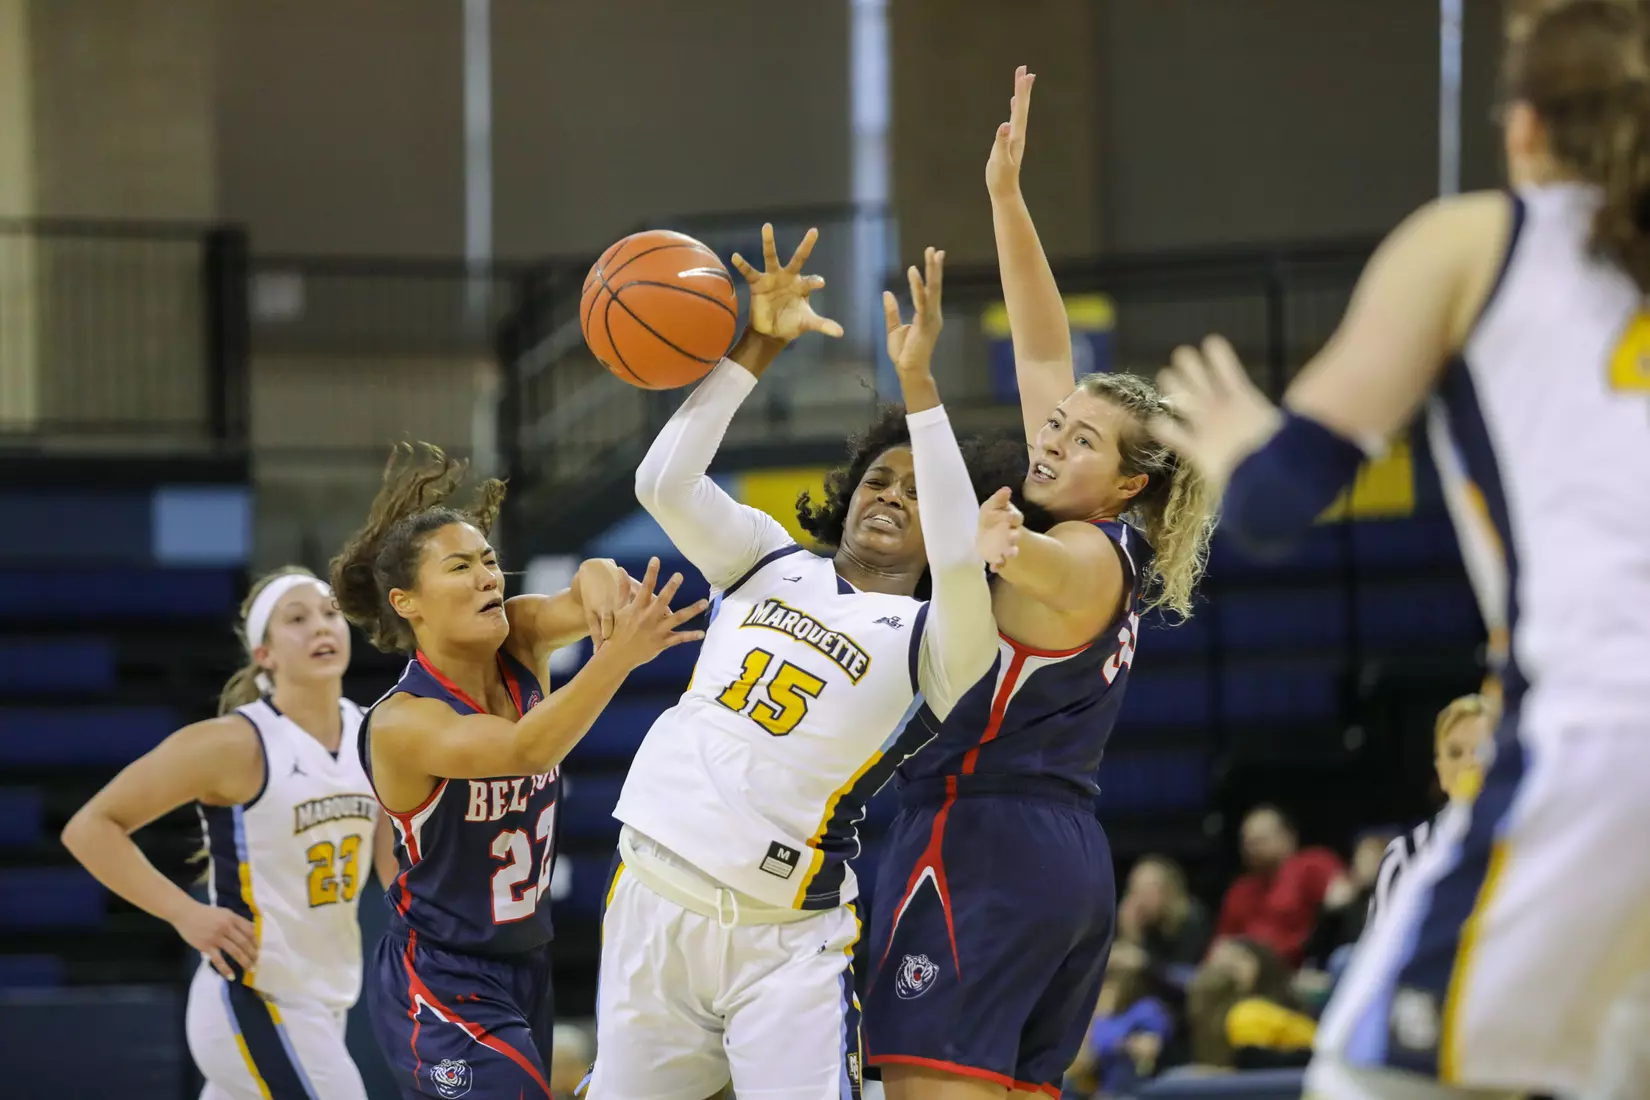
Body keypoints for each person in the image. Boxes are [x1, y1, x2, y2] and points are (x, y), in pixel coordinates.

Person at [1147, 4, 1650, 1097]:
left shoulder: (1475, 241)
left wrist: (1241, 448)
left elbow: (1278, 500)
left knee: (1367, 1076)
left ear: (1525, 125)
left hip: (1602, 736)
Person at [588, 226, 1018, 1100]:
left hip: (782, 942)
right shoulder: (767, 558)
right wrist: (758, 344)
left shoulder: (946, 638)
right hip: (650, 897)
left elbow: (960, 556)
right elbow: (662, 483)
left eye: (917, 490)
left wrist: (920, 386)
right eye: (878, 479)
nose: (892, 494)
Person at [862, 66, 1218, 1100]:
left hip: (979, 836)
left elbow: (1052, 569)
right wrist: (1007, 200)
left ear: (1132, 482)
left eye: (1081, 439)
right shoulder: (1102, 531)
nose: (1052, 439)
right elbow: (1044, 345)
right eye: (1055, 426)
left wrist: (1001, 547)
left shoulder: (1087, 553)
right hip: (1062, 859)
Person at [330, 447, 704, 1100]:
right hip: (441, 975)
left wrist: (599, 578)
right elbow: (527, 749)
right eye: (459, 567)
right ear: (408, 602)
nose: (486, 578)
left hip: (527, 961)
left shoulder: (521, 636)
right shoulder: (403, 721)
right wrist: (617, 656)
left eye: (488, 561)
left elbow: (587, 588)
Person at [62, 567, 393, 1100]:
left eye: (330, 613)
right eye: (297, 619)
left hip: (327, 998)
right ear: (265, 654)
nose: (320, 626)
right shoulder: (234, 743)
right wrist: (184, 913)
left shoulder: (374, 734)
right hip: (252, 996)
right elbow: (90, 828)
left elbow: (395, 868)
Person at [1366, 694, 1495, 925]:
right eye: (1454, 753)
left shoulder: (1539, 847)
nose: (1468, 763)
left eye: (1480, 751)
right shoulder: (1403, 855)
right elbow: (1384, 942)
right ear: (1440, 769)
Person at [1214, 804, 1346, 967]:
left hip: (1299, 965)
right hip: (1247, 968)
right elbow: (1223, 941)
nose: (1251, 849)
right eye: (1247, 842)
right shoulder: (1239, 889)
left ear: (1288, 838)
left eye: (1259, 841)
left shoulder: (1312, 865)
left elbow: (1342, 897)